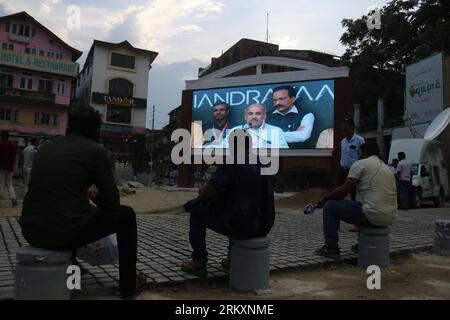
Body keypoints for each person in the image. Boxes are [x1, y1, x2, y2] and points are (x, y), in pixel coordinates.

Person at [19, 107, 144, 299]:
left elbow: (57, 187)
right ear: (96, 131)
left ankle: (73, 272)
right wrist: (94, 196)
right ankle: (128, 287)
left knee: (72, 210)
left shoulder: (47, 147)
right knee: (126, 215)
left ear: (69, 126)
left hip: (30, 230)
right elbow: (112, 203)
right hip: (62, 233)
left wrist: (82, 191)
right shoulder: (96, 151)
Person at [181, 139, 276, 276]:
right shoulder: (264, 163)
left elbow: (204, 194)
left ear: (233, 146)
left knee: (197, 210)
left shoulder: (232, 162)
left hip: (243, 226)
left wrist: (205, 187)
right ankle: (232, 259)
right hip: (265, 226)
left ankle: (199, 261)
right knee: (237, 209)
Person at [313, 141, 397, 259]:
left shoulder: (361, 164)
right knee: (362, 205)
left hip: (371, 215)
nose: (358, 155)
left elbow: (344, 190)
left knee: (330, 206)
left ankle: (331, 248)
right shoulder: (387, 168)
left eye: (360, 153)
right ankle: (361, 245)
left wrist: (325, 199)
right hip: (389, 217)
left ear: (365, 152)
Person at [0, 130, 18, 207]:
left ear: (1, 136)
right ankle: (13, 198)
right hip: (10, 167)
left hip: (1, 167)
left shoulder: (0, 144)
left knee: (1, 183)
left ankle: (2, 197)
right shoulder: (13, 145)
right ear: (8, 136)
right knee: (9, 184)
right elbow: (15, 156)